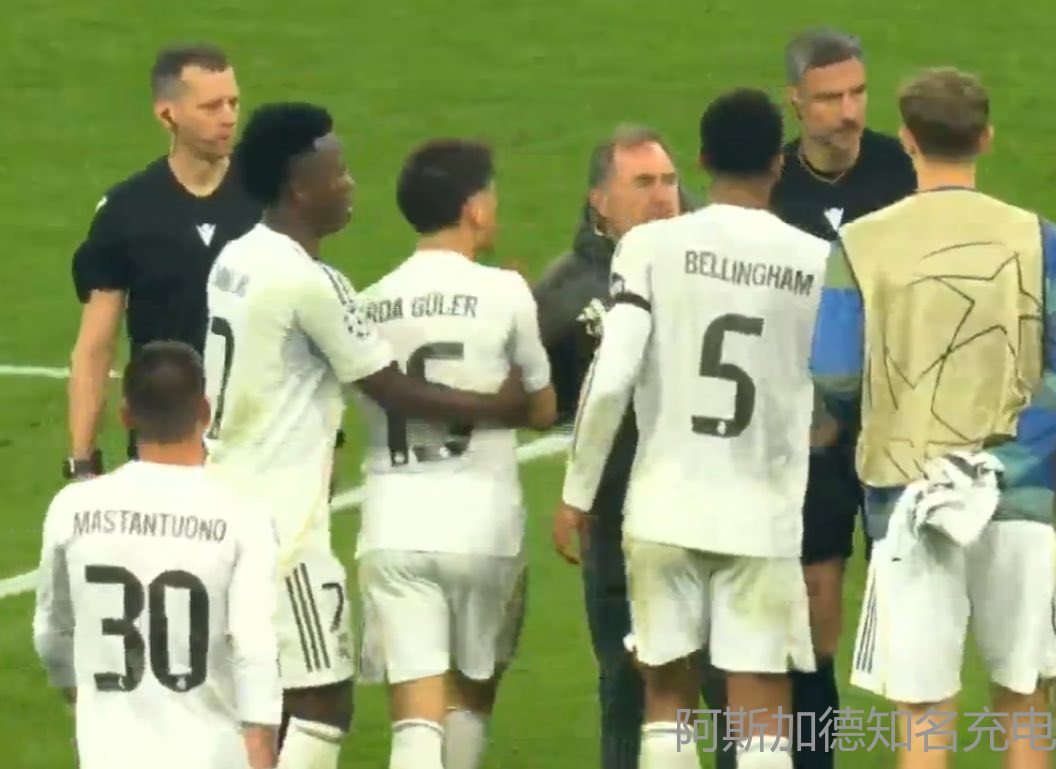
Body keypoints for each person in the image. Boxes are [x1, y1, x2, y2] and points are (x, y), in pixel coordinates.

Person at [203, 102, 534, 769]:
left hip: (223, 497)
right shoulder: (312, 282)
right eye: (338, 173)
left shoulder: (234, 257)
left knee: (258, 696)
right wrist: (499, 404)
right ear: (300, 187)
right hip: (283, 529)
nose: (350, 185)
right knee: (322, 700)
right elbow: (392, 386)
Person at [812, 67, 1056, 769]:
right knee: (1022, 700)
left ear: (907, 139)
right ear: (986, 138)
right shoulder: (1043, 240)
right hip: (1016, 496)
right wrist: (1004, 460)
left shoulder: (858, 244)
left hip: (906, 496)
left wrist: (876, 413)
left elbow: (834, 374)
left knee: (924, 715)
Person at [557, 88, 828, 769]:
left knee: (666, 694)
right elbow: (840, 381)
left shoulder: (648, 246)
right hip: (760, 512)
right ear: (779, 162)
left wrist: (577, 493)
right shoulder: (813, 258)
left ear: (702, 160)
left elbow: (611, 376)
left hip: (663, 507)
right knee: (760, 704)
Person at [354, 138, 558, 769]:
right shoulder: (506, 291)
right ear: (474, 207)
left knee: (415, 718)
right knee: (469, 697)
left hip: (393, 527)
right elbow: (542, 410)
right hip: (483, 529)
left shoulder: (367, 302)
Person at [539, 125, 735, 769]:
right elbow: (551, 400)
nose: (662, 196)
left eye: (669, 180)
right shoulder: (567, 290)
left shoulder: (720, 269)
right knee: (628, 684)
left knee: (729, 684)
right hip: (619, 520)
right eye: (643, 183)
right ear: (600, 200)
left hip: (718, 509)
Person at [769, 30, 918, 764]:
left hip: (899, 422)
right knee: (815, 601)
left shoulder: (901, 168)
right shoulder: (774, 188)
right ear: (796, 101)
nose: (848, 111)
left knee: (914, 602)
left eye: (857, 93)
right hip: (814, 433)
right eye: (829, 98)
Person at [33, 340, 281, 769]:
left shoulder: (73, 508)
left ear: (125, 415)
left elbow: (51, 633)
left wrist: (81, 700)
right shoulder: (243, 514)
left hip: (108, 755)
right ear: (205, 412)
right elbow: (254, 647)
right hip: (212, 756)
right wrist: (261, 750)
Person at [65, 43, 259, 480]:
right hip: (164, 445)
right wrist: (81, 458)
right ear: (167, 114)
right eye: (211, 106)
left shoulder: (268, 198)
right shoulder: (125, 211)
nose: (228, 117)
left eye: (233, 102)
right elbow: (96, 345)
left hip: (258, 443)